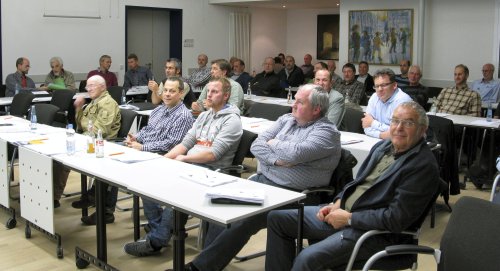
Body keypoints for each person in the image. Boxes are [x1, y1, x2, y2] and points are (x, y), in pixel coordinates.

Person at [265, 101, 440, 271]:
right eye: (395, 121)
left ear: (422, 129)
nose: (398, 128)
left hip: (374, 233)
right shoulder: (384, 146)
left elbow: (396, 219)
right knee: (277, 219)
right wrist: (338, 202)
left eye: (408, 123)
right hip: (347, 214)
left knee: (307, 258)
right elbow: (357, 183)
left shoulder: (422, 166)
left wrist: (349, 218)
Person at [184, 84, 341, 271]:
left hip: (296, 194)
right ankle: (208, 261)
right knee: (219, 202)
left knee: (245, 218)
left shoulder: (327, 132)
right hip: (264, 182)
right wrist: (277, 161)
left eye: (300, 102)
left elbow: (295, 153)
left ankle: (199, 268)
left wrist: (274, 144)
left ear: (316, 109)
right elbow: (256, 145)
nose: (293, 105)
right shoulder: (286, 119)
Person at [123, 77, 243, 257]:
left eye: (214, 92)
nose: (208, 95)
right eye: (208, 91)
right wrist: (164, 160)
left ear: (226, 96)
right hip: (190, 164)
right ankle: (161, 230)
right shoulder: (204, 115)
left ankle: (157, 240)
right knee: (145, 179)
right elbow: (185, 143)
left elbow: (213, 154)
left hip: (212, 171)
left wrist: (184, 159)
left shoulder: (232, 121)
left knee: (178, 194)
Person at [56, 75, 121, 225]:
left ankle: (103, 208)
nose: (89, 89)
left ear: (103, 87)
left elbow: (100, 131)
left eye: (92, 86)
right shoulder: (93, 103)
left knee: (65, 155)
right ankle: (87, 196)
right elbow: (82, 124)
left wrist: (79, 139)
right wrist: (78, 108)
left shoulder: (107, 103)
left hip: (105, 144)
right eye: (87, 86)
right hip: (89, 140)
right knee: (60, 157)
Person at [125, 77, 194, 153]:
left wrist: (143, 147)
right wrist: (135, 138)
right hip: (143, 148)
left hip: (159, 155)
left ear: (181, 93)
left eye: (172, 91)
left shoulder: (183, 116)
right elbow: (148, 130)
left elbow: (171, 144)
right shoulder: (158, 110)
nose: (167, 94)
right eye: (165, 90)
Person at [362, 68, 412, 139]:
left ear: (394, 85)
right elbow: (366, 126)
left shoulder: (403, 101)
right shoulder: (374, 97)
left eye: (383, 85)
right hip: (376, 141)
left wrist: (373, 123)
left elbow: (400, 132)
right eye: (376, 86)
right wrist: (384, 134)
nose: (379, 89)